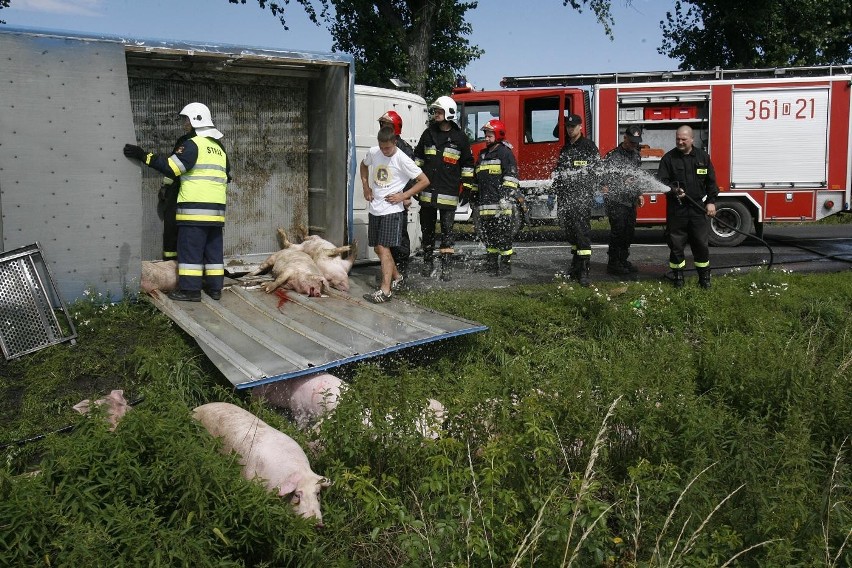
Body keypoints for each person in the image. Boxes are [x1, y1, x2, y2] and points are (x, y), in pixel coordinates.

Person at [123, 102, 231, 302]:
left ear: (195, 120)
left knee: (190, 252)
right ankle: (215, 289)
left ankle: (190, 291)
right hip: (216, 211)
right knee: (213, 252)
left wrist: (143, 155)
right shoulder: (218, 147)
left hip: (195, 209)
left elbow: (171, 167)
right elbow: (228, 176)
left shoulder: (192, 145)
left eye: (186, 119)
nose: (184, 123)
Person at [360, 126, 430, 303]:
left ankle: (385, 290)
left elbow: (424, 181)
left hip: (393, 211)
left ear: (395, 142)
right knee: (377, 248)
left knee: (383, 248)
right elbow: (363, 165)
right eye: (382, 147)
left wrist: (404, 195)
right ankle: (397, 277)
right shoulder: (374, 152)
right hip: (375, 208)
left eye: (388, 148)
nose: (384, 151)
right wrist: (366, 186)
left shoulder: (402, 159)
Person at [413, 95, 474, 281]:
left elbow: (468, 164)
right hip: (427, 191)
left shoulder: (460, 138)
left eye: (438, 111)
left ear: (448, 113)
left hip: (448, 192)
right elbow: (417, 160)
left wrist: (468, 187)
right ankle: (428, 263)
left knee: (447, 231)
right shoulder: (428, 133)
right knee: (427, 230)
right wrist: (415, 184)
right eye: (435, 111)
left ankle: (446, 267)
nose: (435, 114)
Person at [657, 125, 718, 289]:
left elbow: (711, 183)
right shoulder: (669, 158)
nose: (680, 142)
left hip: (698, 209)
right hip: (677, 210)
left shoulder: (702, 157)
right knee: (676, 245)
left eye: (684, 139)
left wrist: (711, 201)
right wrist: (674, 190)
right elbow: (661, 182)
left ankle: (704, 279)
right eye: (678, 139)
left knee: (700, 244)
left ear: (692, 139)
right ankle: (678, 279)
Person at [551, 113, 600, 287]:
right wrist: (555, 188)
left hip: (581, 197)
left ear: (580, 127)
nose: (570, 129)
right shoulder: (566, 148)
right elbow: (559, 171)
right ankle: (576, 265)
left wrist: (590, 189)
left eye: (573, 126)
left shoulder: (588, 146)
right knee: (571, 233)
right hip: (566, 197)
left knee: (582, 233)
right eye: (568, 126)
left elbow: (596, 169)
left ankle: (584, 271)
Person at [472, 119, 520, 276]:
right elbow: (476, 178)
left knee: (504, 237)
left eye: (489, 135)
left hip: (501, 206)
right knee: (490, 238)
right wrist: (473, 195)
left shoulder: (505, 153)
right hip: (485, 207)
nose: (486, 138)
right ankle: (492, 266)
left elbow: (511, 177)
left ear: (498, 135)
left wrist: (506, 197)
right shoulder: (482, 154)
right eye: (486, 135)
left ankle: (505, 267)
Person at [602, 125, 644, 277]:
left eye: (636, 142)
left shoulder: (636, 155)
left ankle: (623, 260)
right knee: (618, 232)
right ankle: (613, 264)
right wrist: (620, 183)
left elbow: (637, 176)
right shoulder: (613, 156)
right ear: (624, 138)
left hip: (630, 201)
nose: (634, 145)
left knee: (628, 232)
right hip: (616, 201)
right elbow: (604, 180)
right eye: (632, 141)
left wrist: (639, 194)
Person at [378, 110, 415, 280]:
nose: (382, 127)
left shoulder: (404, 149)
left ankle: (401, 274)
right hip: (385, 201)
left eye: (386, 125)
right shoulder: (382, 147)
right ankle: (391, 274)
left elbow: (412, 176)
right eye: (382, 124)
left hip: (398, 201)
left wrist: (406, 197)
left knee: (399, 238)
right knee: (384, 240)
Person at [158, 131, 193, 260]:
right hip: (182, 190)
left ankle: (173, 261)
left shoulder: (188, 142)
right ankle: (171, 261)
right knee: (173, 225)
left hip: (185, 191)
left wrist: (166, 186)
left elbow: (171, 167)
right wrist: (166, 186)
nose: (185, 123)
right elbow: (172, 167)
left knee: (176, 226)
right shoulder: (212, 143)